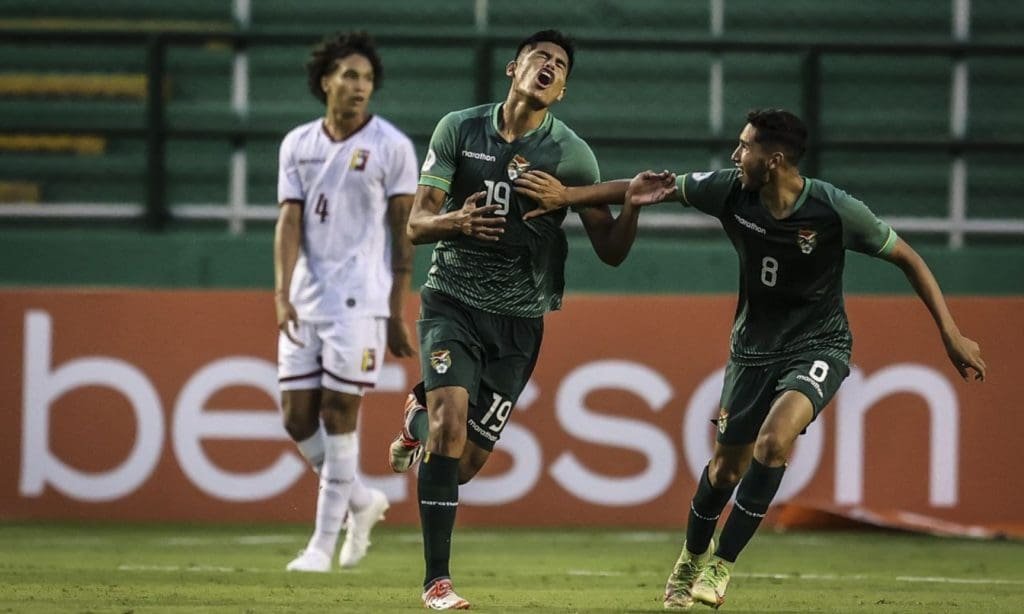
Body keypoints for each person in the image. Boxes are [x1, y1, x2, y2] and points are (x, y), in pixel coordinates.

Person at [512, 108, 987, 609]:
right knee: (724, 472)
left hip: (819, 345)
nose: (735, 155)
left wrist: (951, 333)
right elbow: (647, 188)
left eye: (745, 147)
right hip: (752, 353)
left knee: (775, 441)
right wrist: (569, 197)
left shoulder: (834, 209)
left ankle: (721, 565)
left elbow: (908, 257)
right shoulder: (730, 191)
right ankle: (690, 559)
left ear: (774, 160)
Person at [383, 29, 675, 609]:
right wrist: (456, 223)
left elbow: (611, 252)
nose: (549, 66)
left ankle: (415, 418)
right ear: (513, 68)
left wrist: (631, 210)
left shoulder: (571, 155)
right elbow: (416, 225)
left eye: (560, 65)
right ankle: (437, 582)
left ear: (562, 90)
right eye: (540, 57)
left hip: (519, 320)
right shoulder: (459, 129)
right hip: (451, 300)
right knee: (450, 427)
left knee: (462, 464)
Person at [273, 31, 418, 573]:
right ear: (325, 80)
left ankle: (320, 546)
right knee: (295, 418)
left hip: (361, 300)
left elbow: (404, 232)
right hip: (307, 298)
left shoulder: (392, 146)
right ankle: (360, 499)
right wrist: (281, 294)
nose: (360, 86)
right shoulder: (297, 144)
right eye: (350, 75)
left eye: (368, 78)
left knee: (339, 414)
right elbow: (289, 222)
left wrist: (396, 309)